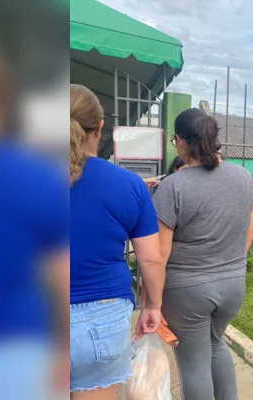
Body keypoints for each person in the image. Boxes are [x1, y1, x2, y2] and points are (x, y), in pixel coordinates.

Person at [0, 36, 69, 399]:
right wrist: (64, 353)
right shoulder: (35, 179)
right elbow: (61, 279)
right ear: (1, 105)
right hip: (19, 357)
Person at [152, 108, 253, 400]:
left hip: (187, 290)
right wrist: (229, 261)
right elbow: (251, 228)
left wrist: (152, 301)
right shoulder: (244, 176)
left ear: (181, 141)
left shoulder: (172, 186)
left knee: (193, 362)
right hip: (233, 285)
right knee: (214, 344)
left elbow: (159, 255)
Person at [69, 84, 166, 399]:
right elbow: (151, 259)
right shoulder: (128, 185)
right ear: (100, 128)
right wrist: (153, 305)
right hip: (104, 320)